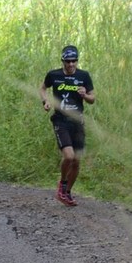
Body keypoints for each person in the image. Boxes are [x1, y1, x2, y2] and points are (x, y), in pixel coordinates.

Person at [38, 45, 96, 206]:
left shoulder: (83, 76)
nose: (71, 64)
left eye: (74, 61)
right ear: (63, 61)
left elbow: (92, 99)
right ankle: (62, 185)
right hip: (61, 121)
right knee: (69, 156)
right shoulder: (54, 75)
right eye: (68, 61)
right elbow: (43, 88)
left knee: (76, 161)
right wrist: (45, 101)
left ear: (77, 61)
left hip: (78, 122)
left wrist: (85, 95)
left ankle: (67, 193)